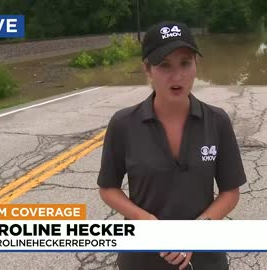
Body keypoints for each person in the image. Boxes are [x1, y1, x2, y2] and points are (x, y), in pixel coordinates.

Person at [97, 21, 247, 270]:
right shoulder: (123, 123)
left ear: (196, 65)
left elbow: (230, 192)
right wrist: (146, 222)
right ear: (147, 69)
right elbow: (108, 188)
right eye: (164, 65)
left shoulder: (217, 121)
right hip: (141, 258)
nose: (177, 76)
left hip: (205, 258)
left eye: (185, 63)